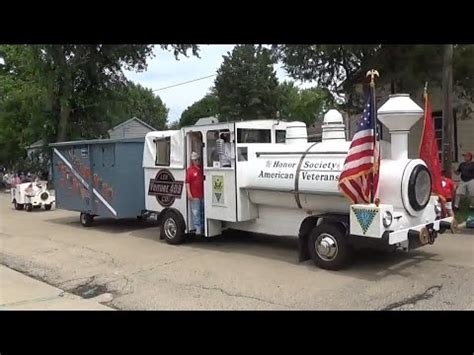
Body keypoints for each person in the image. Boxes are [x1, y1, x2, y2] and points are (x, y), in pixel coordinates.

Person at [186, 152, 204, 235]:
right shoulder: (190, 170)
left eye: (197, 159)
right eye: (195, 160)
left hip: (202, 194)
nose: (197, 161)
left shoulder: (201, 169)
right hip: (195, 195)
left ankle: (203, 227)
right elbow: (187, 183)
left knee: (202, 211)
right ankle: (198, 229)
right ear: (192, 161)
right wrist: (189, 193)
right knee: (196, 212)